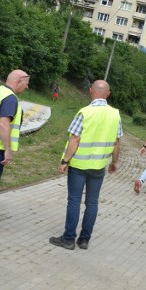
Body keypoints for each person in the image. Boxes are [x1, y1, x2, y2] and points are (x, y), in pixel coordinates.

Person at [49, 80, 122, 250]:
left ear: (90, 91)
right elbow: (117, 143)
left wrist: (65, 161)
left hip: (79, 166)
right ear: (108, 94)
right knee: (92, 202)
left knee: (74, 201)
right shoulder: (115, 115)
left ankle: (68, 239)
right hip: (98, 167)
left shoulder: (85, 112)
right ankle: (84, 240)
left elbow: (74, 139)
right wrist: (114, 162)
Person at [0, 70, 30, 234]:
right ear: (19, 81)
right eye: (26, 83)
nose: (27, 87)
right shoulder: (10, 98)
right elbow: (4, 124)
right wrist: (8, 150)